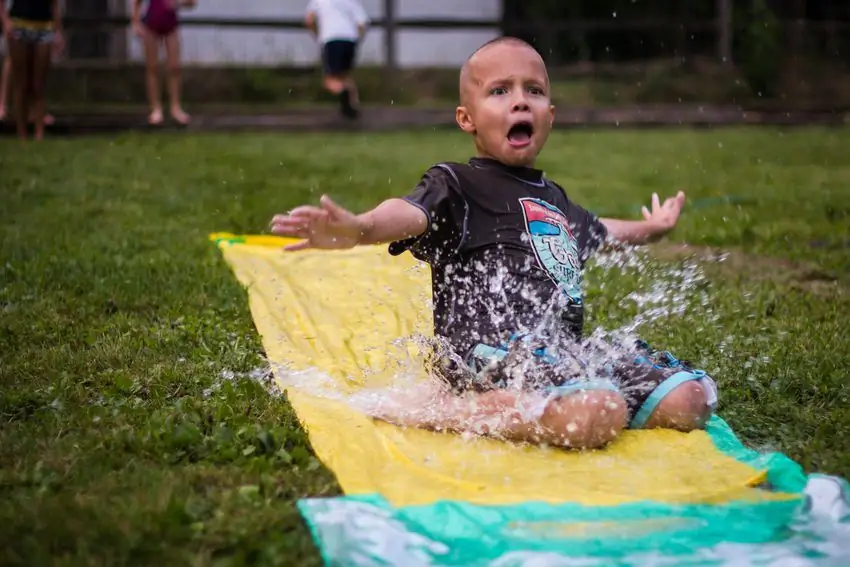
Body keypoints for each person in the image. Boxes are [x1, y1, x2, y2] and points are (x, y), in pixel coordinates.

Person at [269, 37, 718, 451]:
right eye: (500, 91)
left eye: (533, 91)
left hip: (557, 355)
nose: (520, 100)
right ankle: (440, 407)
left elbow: (602, 229)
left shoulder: (554, 199)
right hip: (488, 354)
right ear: (467, 118)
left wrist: (652, 227)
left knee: (688, 400)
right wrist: (361, 227)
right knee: (598, 411)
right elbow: (410, 212)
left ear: (549, 115)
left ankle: (562, 399)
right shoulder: (458, 184)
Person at [0, 0, 63, 141]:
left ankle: (39, 133)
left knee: (39, 85)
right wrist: (5, 21)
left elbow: (54, 4)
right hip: (19, 24)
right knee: (20, 84)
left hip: (44, 26)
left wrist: (58, 30)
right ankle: (22, 134)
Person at [131, 0, 194, 125]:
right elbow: (137, 2)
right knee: (152, 68)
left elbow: (191, 2)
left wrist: (178, 3)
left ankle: (175, 108)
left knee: (174, 67)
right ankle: (156, 108)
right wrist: (135, 23)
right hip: (151, 24)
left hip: (170, 24)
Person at [304, 0, 368, 119]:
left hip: (331, 38)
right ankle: (353, 109)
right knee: (345, 76)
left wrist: (317, 35)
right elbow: (362, 24)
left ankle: (343, 92)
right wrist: (357, 41)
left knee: (329, 80)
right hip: (350, 38)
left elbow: (309, 20)